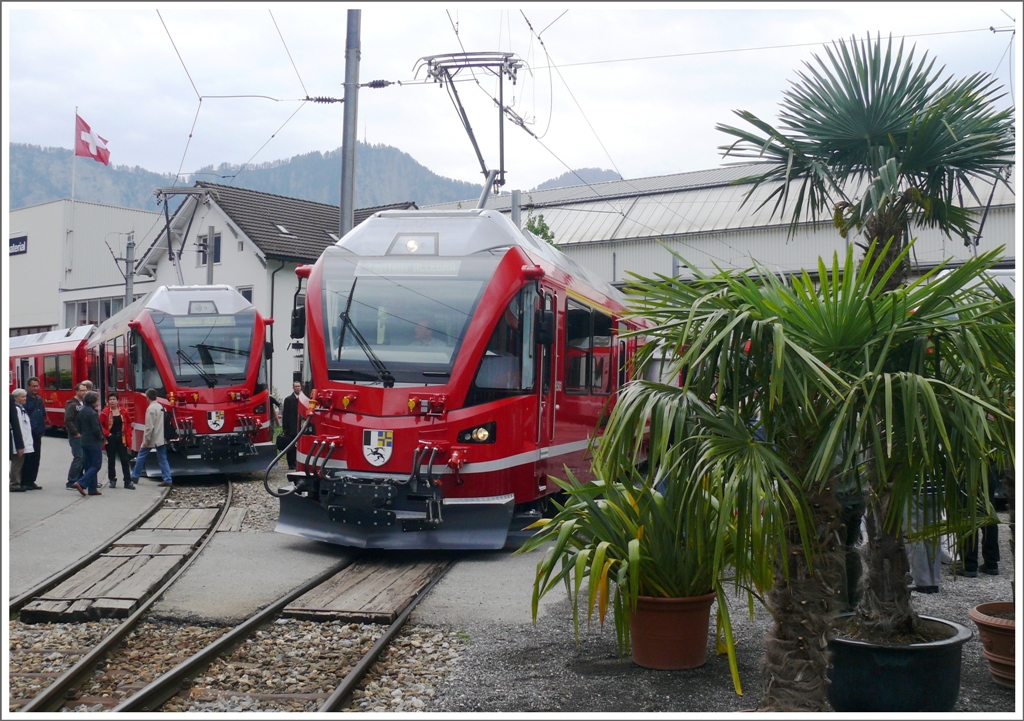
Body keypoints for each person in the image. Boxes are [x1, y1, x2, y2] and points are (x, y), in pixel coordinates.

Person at [130, 388, 173, 487]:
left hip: (152, 438)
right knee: (163, 459)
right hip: (162, 438)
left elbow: (149, 427)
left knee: (141, 456)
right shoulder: (161, 407)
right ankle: (167, 479)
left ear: (147, 397)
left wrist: (146, 440)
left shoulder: (151, 409)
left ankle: (135, 476)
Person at [73, 391, 105, 496]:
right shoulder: (92, 413)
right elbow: (96, 429)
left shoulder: (82, 411)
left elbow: (78, 426)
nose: (98, 402)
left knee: (89, 465)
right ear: (93, 401)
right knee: (96, 465)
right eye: (97, 400)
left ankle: (92, 488)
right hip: (94, 442)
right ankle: (81, 482)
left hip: (84, 441)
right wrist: (102, 437)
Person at [100, 393, 134, 489]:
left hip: (121, 438)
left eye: (114, 399)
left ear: (117, 401)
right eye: (110, 399)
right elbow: (100, 425)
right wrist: (107, 434)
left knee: (125, 460)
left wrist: (128, 434)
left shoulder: (124, 411)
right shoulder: (105, 412)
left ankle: (127, 481)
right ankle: (112, 480)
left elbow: (129, 423)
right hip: (110, 439)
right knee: (111, 460)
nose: (112, 401)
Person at [22, 377, 48, 490]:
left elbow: (42, 415)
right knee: (27, 458)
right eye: (33, 386)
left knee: (36, 458)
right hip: (27, 434)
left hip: (37, 433)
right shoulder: (24, 399)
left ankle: (32, 481)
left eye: (37, 386)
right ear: (28, 387)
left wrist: (43, 429)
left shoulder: (39, 399)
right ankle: (24, 481)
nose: (35, 388)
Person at [10, 389, 36, 492]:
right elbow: (18, 427)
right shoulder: (16, 409)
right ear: (16, 398)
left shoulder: (21, 408)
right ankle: (14, 484)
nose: (25, 398)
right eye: (22, 397)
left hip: (24, 440)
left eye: (25, 396)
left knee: (20, 463)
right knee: (17, 463)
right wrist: (20, 443)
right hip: (19, 441)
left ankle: (18, 481)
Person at [65, 382, 88, 490]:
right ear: (76, 391)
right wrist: (75, 433)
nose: (84, 392)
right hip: (76, 436)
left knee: (82, 458)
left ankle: (79, 479)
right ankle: (71, 481)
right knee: (78, 457)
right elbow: (68, 420)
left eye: (85, 390)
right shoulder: (72, 404)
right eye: (82, 390)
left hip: (83, 435)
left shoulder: (83, 403)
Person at [280, 381, 307, 470]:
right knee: (290, 447)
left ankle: (298, 462)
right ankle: (291, 463)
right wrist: (285, 428)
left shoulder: (304, 400)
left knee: (299, 446)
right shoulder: (289, 400)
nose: (297, 388)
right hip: (291, 428)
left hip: (300, 427)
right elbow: (286, 414)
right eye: (295, 386)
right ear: (293, 387)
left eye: (298, 386)